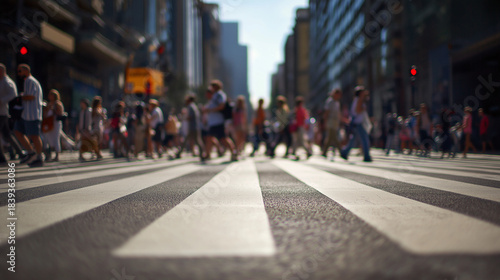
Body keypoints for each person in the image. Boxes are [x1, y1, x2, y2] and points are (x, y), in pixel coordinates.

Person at [14, 64, 44, 167]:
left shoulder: (29, 81)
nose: (19, 74)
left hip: (32, 114)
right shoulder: (29, 81)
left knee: (34, 135)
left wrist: (20, 97)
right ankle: (31, 152)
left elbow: (31, 96)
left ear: (26, 71)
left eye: (20, 71)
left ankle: (39, 157)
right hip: (26, 113)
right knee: (18, 131)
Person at [204, 80, 238, 161]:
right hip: (213, 122)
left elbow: (221, 106)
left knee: (223, 138)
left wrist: (210, 110)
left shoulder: (220, 95)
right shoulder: (215, 95)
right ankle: (207, 154)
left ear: (215, 87)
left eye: (212, 86)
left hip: (218, 121)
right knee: (209, 137)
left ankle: (234, 152)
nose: (210, 88)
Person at [340, 85, 372, 162]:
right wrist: (363, 108)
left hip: (355, 122)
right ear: (360, 93)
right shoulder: (359, 100)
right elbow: (358, 110)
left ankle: (344, 152)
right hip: (359, 122)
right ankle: (366, 156)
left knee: (353, 140)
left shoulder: (356, 99)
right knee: (364, 139)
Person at [0, 63, 23, 165]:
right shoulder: (1, 81)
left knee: (6, 134)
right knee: (7, 134)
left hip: (2, 112)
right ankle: (21, 153)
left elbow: (13, 93)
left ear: (2, 71)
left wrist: (2, 100)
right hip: (2, 112)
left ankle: (2, 157)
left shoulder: (7, 81)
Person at [176, 94, 206, 162]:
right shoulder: (193, 106)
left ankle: (203, 153)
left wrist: (184, 118)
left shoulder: (190, 106)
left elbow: (191, 116)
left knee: (195, 141)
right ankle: (179, 153)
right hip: (194, 126)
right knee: (192, 140)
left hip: (193, 127)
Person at [42, 89, 64, 162]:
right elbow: (45, 114)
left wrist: (53, 109)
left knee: (56, 138)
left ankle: (57, 155)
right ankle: (50, 153)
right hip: (49, 123)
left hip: (56, 123)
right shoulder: (48, 104)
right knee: (49, 138)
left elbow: (60, 113)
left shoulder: (57, 104)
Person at [322, 88, 342, 159]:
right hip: (330, 121)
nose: (339, 96)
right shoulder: (330, 101)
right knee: (333, 137)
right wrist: (325, 122)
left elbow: (338, 113)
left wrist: (343, 120)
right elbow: (326, 112)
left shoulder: (337, 102)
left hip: (335, 122)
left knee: (330, 138)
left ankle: (324, 152)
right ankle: (341, 151)